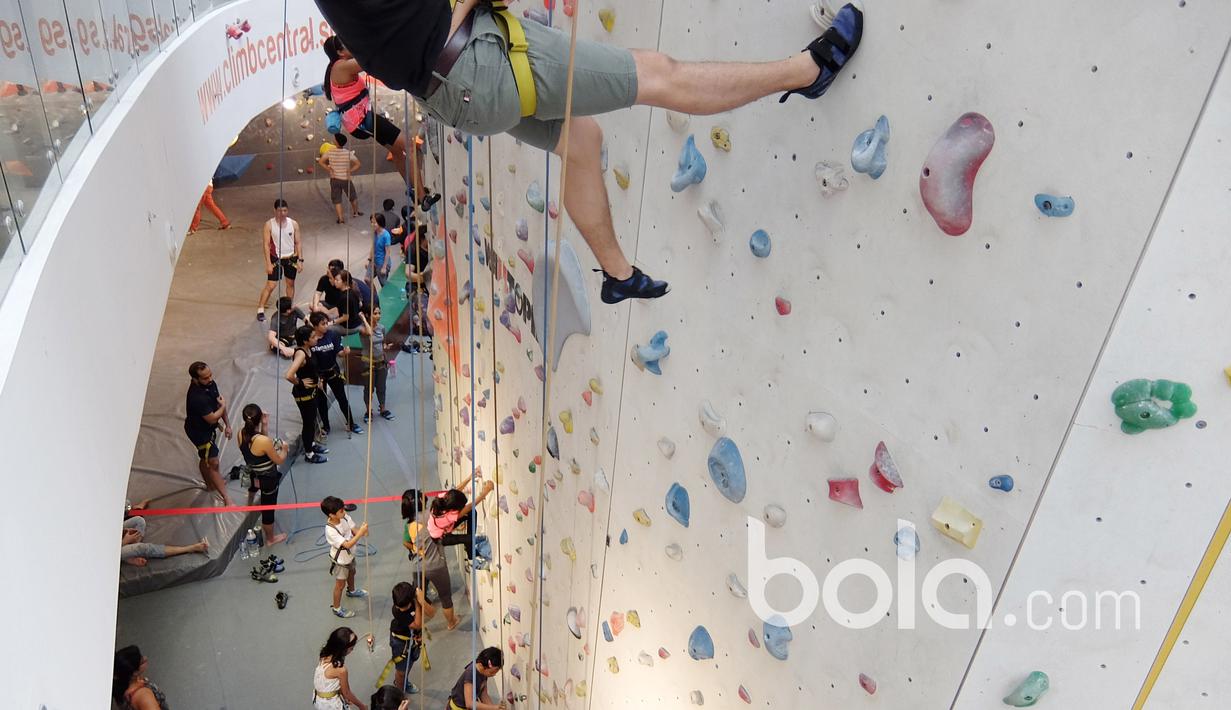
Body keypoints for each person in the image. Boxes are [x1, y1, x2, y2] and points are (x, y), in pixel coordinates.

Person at [310, 0, 864, 306]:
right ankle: (807, 70)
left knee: (583, 141)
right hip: (478, 65)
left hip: (456, 94)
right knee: (657, 74)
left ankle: (618, 273)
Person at [322, 34, 412, 191]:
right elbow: (368, 61)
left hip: (359, 122)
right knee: (408, 145)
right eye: (346, 44)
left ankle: (412, 190)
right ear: (340, 52)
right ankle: (422, 195)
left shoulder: (337, 67)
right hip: (362, 121)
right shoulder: (341, 66)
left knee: (396, 150)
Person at [403, 489, 458, 630]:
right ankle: (451, 623)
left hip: (418, 565)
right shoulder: (431, 516)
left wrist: (417, 550)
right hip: (436, 565)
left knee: (419, 594)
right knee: (446, 598)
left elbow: (406, 542)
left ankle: (419, 619)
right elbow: (450, 501)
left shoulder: (409, 523)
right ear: (421, 501)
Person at [237, 403, 289, 545]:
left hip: (253, 471)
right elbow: (278, 460)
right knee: (268, 509)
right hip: (267, 479)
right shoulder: (263, 441)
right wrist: (284, 449)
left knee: (254, 484)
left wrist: (264, 425)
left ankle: (249, 503)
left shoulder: (240, 433)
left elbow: (259, 448)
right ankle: (270, 539)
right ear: (258, 419)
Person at [184, 361, 233, 506]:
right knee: (213, 462)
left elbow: (218, 405)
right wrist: (223, 406)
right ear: (195, 379)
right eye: (205, 378)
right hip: (199, 432)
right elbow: (212, 418)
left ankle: (210, 484)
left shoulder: (210, 384)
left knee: (206, 460)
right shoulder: (196, 397)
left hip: (207, 428)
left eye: (210, 375)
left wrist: (228, 425)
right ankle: (226, 498)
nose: (210, 379)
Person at [309, 312, 363, 435]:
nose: (326, 326)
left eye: (326, 323)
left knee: (342, 399)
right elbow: (310, 360)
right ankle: (326, 426)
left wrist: (344, 352)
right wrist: (317, 379)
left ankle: (351, 423)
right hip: (319, 375)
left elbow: (338, 352)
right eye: (323, 324)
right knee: (321, 402)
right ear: (315, 326)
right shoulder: (311, 340)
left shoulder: (332, 335)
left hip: (333, 371)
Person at [286, 325, 330, 464]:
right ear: (305, 341)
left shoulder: (308, 350)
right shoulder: (300, 354)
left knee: (311, 421)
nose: (316, 338)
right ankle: (309, 454)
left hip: (312, 391)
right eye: (313, 337)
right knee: (308, 423)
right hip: (304, 394)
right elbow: (289, 375)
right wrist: (300, 383)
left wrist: (318, 380)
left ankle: (310, 444)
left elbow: (312, 369)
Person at [321, 495, 370, 618]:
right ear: (331, 515)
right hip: (341, 561)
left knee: (352, 572)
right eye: (341, 510)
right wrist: (360, 533)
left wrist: (363, 531)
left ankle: (352, 591)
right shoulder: (330, 530)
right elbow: (347, 544)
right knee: (340, 585)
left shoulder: (345, 517)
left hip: (350, 556)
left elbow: (354, 529)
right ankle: (337, 608)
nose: (344, 511)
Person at [256, 198, 303, 322]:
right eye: (280, 211)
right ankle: (260, 308)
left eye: (285, 210)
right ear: (274, 211)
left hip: (291, 257)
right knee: (271, 285)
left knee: (290, 284)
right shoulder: (269, 225)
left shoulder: (294, 224)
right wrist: (268, 263)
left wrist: (300, 260)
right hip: (275, 258)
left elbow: (298, 242)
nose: (282, 213)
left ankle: (289, 308)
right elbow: (266, 244)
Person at [379, 581, 426, 694]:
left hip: (413, 638)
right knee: (401, 670)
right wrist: (418, 604)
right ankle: (399, 691)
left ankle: (403, 681)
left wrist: (421, 600)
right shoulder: (397, 610)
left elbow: (432, 612)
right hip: (400, 642)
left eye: (404, 606)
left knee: (410, 662)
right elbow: (418, 624)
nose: (401, 609)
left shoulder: (411, 599)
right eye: (399, 606)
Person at [430, 478, 494, 560]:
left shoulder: (444, 498)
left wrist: (471, 476)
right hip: (441, 537)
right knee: (468, 538)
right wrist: (486, 491)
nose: (463, 506)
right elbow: (469, 506)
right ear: (454, 509)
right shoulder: (449, 516)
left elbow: (456, 490)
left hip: (441, 527)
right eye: (461, 506)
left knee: (471, 513)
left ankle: (470, 541)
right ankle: (471, 553)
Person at [314, 627, 370, 710]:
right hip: (330, 705)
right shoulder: (341, 670)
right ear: (343, 650)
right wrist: (361, 706)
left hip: (319, 699)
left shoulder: (325, 653)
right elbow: (347, 692)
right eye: (351, 648)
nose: (352, 650)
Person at [120, 514, 209, 567]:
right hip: (111, 554)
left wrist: (123, 532)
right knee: (142, 548)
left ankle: (129, 554)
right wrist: (125, 541)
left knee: (139, 520)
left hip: (113, 540)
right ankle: (189, 548)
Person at [357, 306, 395, 422]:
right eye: (375, 313)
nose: (378, 316)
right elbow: (369, 333)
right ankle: (368, 412)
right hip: (368, 362)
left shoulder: (381, 328)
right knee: (369, 389)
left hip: (381, 361)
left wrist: (385, 348)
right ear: (368, 315)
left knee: (381, 387)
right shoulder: (362, 328)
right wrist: (363, 319)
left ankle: (382, 409)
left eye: (379, 313)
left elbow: (382, 343)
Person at [319, 132, 362, 223]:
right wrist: (350, 170)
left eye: (334, 138)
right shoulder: (347, 153)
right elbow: (358, 164)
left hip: (334, 179)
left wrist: (329, 169)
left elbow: (321, 161)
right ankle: (356, 212)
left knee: (337, 200)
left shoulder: (330, 152)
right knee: (352, 196)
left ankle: (341, 219)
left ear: (337, 142)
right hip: (346, 179)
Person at [113, 646, 170, 710]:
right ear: (134, 673)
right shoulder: (143, 695)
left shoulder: (124, 685)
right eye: (141, 660)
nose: (145, 658)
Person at [368, 213, 394, 287]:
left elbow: (387, 252)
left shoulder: (386, 235)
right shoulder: (375, 233)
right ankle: (374, 295)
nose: (372, 224)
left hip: (381, 262)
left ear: (380, 223)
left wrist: (384, 267)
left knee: (383, 283)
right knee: (367, 279)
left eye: (374, 223)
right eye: (371, 222)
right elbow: (373, 246)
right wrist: (369, 260)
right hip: (374, 261)